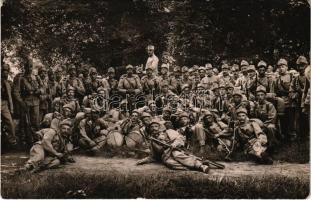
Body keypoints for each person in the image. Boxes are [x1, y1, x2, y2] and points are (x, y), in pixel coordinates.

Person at [136, 119, 210, 173]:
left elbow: (180, 138)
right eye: (152, 127)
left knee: (177, 155)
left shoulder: (169, 132)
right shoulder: (152, 141)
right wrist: (143, 161)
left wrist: (174, 144)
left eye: (156, 126)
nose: (154, 128)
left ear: (159, 127)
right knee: (170, 163)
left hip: (176, 150)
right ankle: (194, 166)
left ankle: (201, 166)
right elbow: (153, 156)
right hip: (166, 157)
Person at [13, 58, 41, 147]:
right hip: (26, 103)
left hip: (36, 102)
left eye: (31, 67)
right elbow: (16, 92)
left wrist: (39, 91)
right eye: (28, 66)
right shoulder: (20, 78)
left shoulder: (36, 77)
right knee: (26, 123)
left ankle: (37, 141)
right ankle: (29, 143)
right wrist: (21, 102)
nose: (29, 68)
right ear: (24, 67)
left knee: (36, 122)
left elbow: (43, 88)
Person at [274, 58, 295, 141]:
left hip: (290, 101)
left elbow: (294, 88)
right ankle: (285, 134)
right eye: (279, 67)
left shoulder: (291, 76)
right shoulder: (277, 79)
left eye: (283, 66)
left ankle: (292, 134)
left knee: (291, 119)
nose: (281, 68)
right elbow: (276, 91)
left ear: (287, 67)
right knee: (283, 119)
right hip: (281, 102)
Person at [2, 63, 17, 147]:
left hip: (4, 104)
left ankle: (12, 141)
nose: (5, 73)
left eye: (7, 71)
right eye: (3, 71)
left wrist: (12, 108)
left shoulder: (9, 83)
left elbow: (11, 96)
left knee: (10, 123)